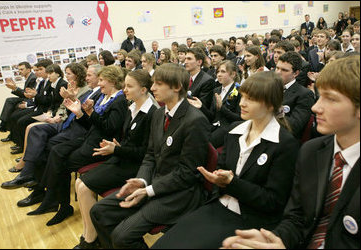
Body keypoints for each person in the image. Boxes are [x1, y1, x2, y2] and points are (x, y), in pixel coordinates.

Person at [221, 55, 359, 249]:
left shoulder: (291, 144)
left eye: (331, 99)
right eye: (320, 96)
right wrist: (277, 239)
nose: (315, 107)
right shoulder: (313, 150)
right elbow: (297, 217)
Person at [152, 71, 299, 249]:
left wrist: (231, 183)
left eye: (250, 99)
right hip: (218, 206)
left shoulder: (285, 143)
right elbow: (221, 171)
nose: (242, 103)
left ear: (270, 105)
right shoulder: (235, 130)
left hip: (250, 219)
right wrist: (219, 180)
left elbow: (272, 201)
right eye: (242, 97)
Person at [89, 63, 211, 249]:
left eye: (158, 83)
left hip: (178, 195)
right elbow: (150, 155)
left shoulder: (195, 121)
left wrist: (149, 190)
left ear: (177, 87)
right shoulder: (159, 114)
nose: (152, 88)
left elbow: (187, 173)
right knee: (99, 211)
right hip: (153, 183)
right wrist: (142, 181)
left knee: (122, 236)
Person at [28, 65, 127, 226]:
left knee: (61, 163)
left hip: (100, 145)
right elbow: (91, 125)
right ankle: (52, 199)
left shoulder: (119, 100)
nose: (98, 83)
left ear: (113, 81)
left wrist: (90, 113)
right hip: (89, 138)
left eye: (102, 80)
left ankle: (56, 202)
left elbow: (110, 128)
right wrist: (80, 113)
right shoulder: (104, 97)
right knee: (56, 150)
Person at [73, 69, 157, 249]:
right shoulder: (132, 107)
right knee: (79, 184)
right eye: (125, 85)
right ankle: (89, 233)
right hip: (122, 158)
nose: (124, 89)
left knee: (85, 186)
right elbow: (127, 140)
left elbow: (145, 153)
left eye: (129, 86)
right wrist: (115, 148)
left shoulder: (151, 114)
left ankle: (90, 239)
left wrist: (117, 150)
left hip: (135, 167)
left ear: (143, 90)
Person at [8, 62, 67, 153]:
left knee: (22, 122)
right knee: (16, 116)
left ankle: (25, 148)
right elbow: (50, 101)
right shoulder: (46, 82)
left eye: (40, 69)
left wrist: (50, 112)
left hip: (47, 111)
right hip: (43, 109)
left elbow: (51, 101)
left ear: (57, 73)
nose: (37, 72)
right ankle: (21, 145)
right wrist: (33, 96)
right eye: (35, 70)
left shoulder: (59, 84)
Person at [190, 60, 242, 148]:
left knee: (206, 144)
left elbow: (239, 118)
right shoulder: (216, 90)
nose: (219, 74)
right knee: (193, 135)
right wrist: (201, 106)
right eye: (218, 72)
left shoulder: (238, 91)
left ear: (233, 74)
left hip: (227, 127)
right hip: (213, 125)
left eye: (223, 72)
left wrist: (222, 108)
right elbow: (212, 115)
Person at [275, 51, 315, 140]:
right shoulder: (269, 87)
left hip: (284, 141)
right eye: (277, 68)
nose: (278, 72)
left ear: (296, 73)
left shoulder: (304, 94)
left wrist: (271, 111)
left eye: (284, 70)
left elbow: (294, 126)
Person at [0, 61, 36, 133]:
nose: (19, 71)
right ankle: (5, 127)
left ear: (29, 69)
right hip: (27, 98)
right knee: (10, 107)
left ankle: (3, 125)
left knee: (10, 101)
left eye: (22, 69)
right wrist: (14, 88)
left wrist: (15, 88)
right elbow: (26, 93)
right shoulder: (29, 77)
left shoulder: (32, 78)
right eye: (19, 69)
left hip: (31, 101)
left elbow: (28, 95)